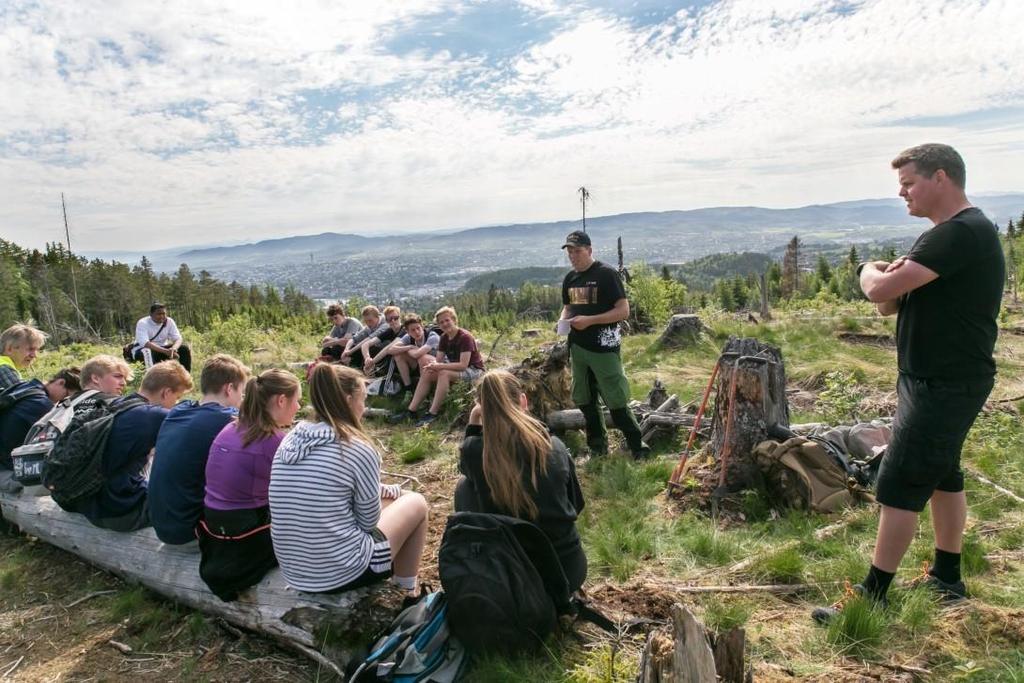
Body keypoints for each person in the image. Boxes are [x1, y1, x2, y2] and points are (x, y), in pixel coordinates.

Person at [813, 143, 1004, 623]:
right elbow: (889, 305)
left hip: (944, 382)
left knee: (897, 481)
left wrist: (867, 269)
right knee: (943, 474)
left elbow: (876, 291)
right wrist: (889, 279)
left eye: (908, 184)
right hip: (937, 378)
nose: (903, 195)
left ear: (941, 177)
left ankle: (872, 597)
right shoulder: (951, 237)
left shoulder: (959, 233)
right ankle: (947, 577)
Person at [269, 364, 428, 597]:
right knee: (416, 502)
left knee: (397, 498)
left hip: (295, 570)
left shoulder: (290, 440)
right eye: (363, 399)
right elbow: (367, 523)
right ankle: (406, 593)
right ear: (347, 400)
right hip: (340, 572)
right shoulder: (357, 448)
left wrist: (380, 493)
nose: (364, 408)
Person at [454, 370, 588, 592]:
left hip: (508, 577)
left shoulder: (475, 451)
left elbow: (466, 466)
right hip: (567, 572)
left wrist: (473, 424)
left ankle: (477, 553)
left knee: (464, 487)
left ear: (481, 410)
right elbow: (577, 504)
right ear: (523, 401)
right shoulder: (554, 446)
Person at [197, 369, 301, 601]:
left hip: (214, 521)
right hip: (245, 528)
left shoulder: (232, 427)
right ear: (281, 400)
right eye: (297, 400)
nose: (299, 407)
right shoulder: (274, 440)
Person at [70, 362, 193, 532]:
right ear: (166, 392)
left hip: (89, 504)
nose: (176, 402)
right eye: (177, 397)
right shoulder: (156, 415)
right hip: (120, 512)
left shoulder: (116, 404)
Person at [558, 231, 648, 458]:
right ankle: (598, 448)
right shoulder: (570, 279)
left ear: (589, 250)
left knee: (615, 398)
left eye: (577, 251)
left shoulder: (606, 274)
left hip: (604, 348)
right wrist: (562, 320)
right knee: (585, 399)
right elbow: (568, 307)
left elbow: (623, 311)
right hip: (578, 348)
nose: (573, 256)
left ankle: (638, 447)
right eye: (570, 252)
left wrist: (589, 321)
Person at [148, 354, 250, 545]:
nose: (241, 399)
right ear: (229, 389)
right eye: (242, 393)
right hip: (190, 532)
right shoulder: (227, 420)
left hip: (162, 524)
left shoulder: (179, 411)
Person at [393, 306, 484, 427]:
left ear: (454, 319)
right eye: (441, 322)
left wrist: (439, 366)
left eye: (447, 320)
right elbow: (438, 360)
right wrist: (433, 366)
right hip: (457, 368)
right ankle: (412, 410)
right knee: (428, 371)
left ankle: (433, 412)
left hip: (474, 370)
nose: (444, 324)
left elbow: (463, 365)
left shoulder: (464, 337)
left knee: (444, 373)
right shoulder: (444, 338)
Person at [0, 368, 81, 493]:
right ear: (60, 382)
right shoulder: (41, 404)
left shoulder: (25, 386)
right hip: (5, 468)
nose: (65, 401)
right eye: (66, 396)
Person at [385, 314, 441, 393]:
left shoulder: (432, 336)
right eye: (412, 330)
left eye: (418, 328)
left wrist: (407, 349)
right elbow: (390, 350)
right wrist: (409, 347)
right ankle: (409, 388)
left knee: (423, 357)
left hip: (437, 366)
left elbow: (417, 354)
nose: (417, 332)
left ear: (422, 326)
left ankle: (425, 392)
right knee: (398, 355)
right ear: (407, 332)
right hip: (420, 366)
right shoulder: (408, 337)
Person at [130, 302, 192, 373]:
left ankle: (185, 376)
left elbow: (178, 338)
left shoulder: (169, 321)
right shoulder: (143, 323)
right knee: (147, 352)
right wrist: (165, 351)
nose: (162, 316)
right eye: (159, 314)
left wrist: (173, 349)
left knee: (184, 349)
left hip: (163, 349)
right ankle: (151, 378)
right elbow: (145, 343)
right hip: (143, 350)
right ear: (151, 314)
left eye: (164, 314)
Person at [0, 324, 46, 390]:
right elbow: (25, 396)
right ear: (9, 349)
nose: (34, 355)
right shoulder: (3, 368)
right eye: (30, 349)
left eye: (37, 350)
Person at [362, 305, 404, 378]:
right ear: (387, 321)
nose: (393, 321)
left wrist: (371, 363)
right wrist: (367, 359)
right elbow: (365, 344)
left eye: (396, 318)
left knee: (391, 352)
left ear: (400, 317)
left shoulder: (404, 329)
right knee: (373, 349)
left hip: (407, 360)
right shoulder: (390, 331)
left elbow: (388, 348)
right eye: (389, 319)